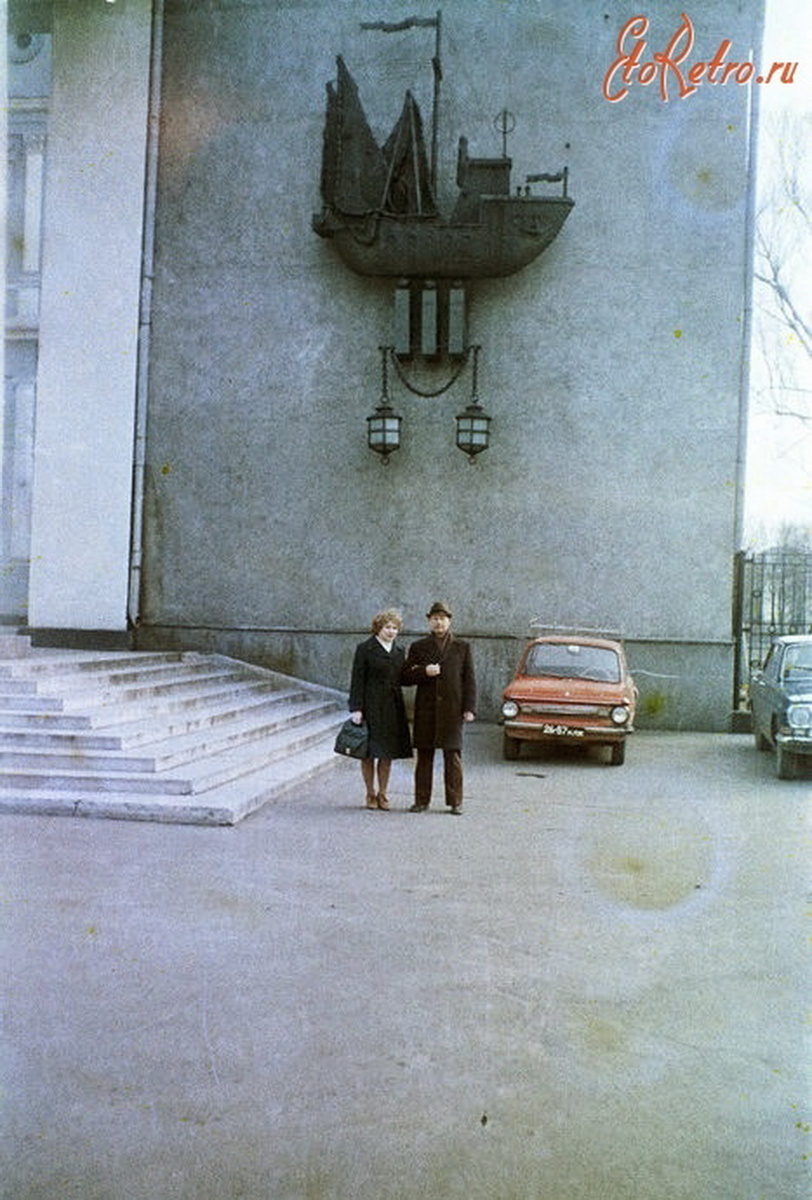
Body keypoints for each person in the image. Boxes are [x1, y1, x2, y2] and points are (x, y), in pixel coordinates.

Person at [401, 601, 476, 815]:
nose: (438, 622)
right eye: (434, 618)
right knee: (424, 756)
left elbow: (469, 680)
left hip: (453, 711)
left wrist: (469, 708)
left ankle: (455, 802)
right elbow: (404, 677)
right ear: (429, 621)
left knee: (452, 757)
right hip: (426, 711)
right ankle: (421, 801)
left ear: (449, 621)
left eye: (442, 618)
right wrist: (424, 671)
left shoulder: (462, 647)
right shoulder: (419, 647)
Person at [348, 608, 412, 810]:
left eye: (395, 628)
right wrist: (356, 708)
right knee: (368, 752)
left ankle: (383, 793)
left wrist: (423, 673)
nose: (391, 631)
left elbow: (404, 678)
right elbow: (357, 680)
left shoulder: (399, 651)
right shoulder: (365, 649)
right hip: (370, 706)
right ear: (378, 628)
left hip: (392, 707)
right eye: (387, 627)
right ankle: (370, 793)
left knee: (387, 753)